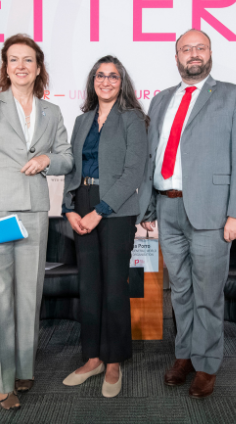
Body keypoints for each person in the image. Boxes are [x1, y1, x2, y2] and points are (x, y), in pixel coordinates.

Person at [137, 29, 236, 399]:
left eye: (199, 48)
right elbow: (152, 156)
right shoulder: (160, 100)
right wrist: (148, 207)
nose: (193, 54)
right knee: (181, 291)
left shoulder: (232, 95)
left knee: (208, 292)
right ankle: (185, 355)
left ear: (210, 52)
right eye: (186, 49)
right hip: (168, 206)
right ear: (176, 57)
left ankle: (207, 365)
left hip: (212, 212)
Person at [0, 34, 73, 410]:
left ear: (38, 68)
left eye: (28, 60)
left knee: (28, 295)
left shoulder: (52, 112)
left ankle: (23, 367)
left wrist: (47, 161)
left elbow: (66, 158)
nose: (21, 66)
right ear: (5, 66)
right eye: (14, 60)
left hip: (35, 211)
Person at [60, 56, 148, 398]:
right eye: (101, 75)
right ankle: (93, 357)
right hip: (81, 203)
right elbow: (71, 166)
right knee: (89, 285)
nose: (106, 81)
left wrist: (100, 210)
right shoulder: (82, 120)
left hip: (115, 209)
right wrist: (69, 208)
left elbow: (133, 172)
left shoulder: (132, 119)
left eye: (113, 76)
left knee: (113, 286)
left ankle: (114, 361)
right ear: (92, 81)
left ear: (121, 81)